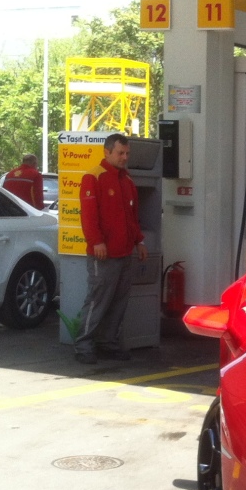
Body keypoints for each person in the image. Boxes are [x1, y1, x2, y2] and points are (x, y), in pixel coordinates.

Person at [74, 133, 147, 364]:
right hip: (103, 255)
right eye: (120, 153)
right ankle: (83, 345)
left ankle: (108, 343)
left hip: (124, 252)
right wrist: (96, 241)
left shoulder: (127, 181)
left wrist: (139, 242)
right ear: (107, 152)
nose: (124, 157)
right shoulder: (93, 177)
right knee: (98, 300)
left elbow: (132, 217)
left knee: (118, 301)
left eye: (127, 153)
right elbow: (88, 216)